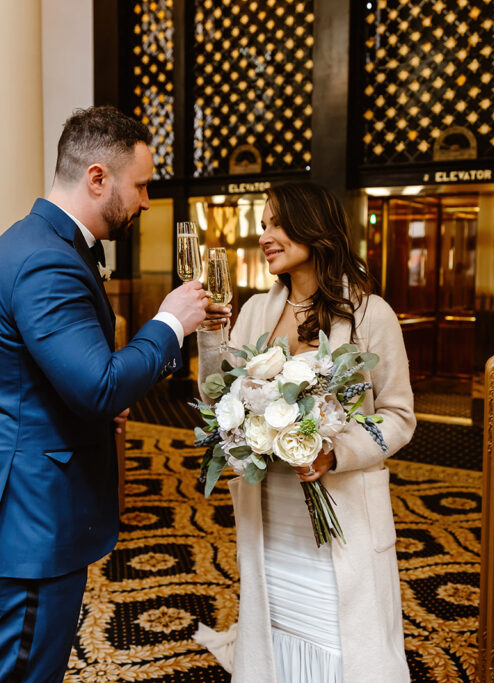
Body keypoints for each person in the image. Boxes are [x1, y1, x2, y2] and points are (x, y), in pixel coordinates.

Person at [0, 106, 208, 682]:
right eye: (140, 185)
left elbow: (45, 378)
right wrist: (170, 322)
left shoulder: (42, 242)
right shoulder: (46, 260)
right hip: (26, 519)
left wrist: (96, 408)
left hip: (24, 504)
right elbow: (97, 385)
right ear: (97, 177)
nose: (145, 201)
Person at [193, 181, 416, 682]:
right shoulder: (253, 311)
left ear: (313, 228)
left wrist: (334, 453)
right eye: (262, 226)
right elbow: (218, 398)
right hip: (269, 509)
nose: (265, 236)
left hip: (340, 511)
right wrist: (211, 336)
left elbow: (399, 416)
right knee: (277, 636)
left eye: (276, 223)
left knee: (343, 642)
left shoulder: (370, 315)